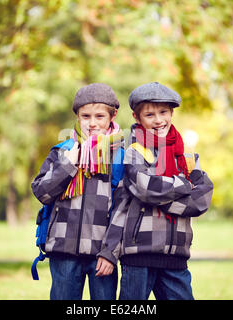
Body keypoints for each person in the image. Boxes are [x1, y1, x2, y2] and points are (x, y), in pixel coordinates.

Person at [98, 82, 214, 300]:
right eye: (150, 114)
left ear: (171, 113)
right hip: (138, 255)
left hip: (175, 256)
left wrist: (157, 197)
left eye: (163, 112)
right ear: (137, 117)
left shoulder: (186, 158)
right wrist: (183, 185)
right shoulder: (134, 152)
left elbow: (202, 199)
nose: (158, 120)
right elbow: (145, 187)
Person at [31, 83, 124, 300]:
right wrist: (68, 166)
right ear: (77, 116)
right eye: (86, 116)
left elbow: (123, 211)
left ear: (112, 116)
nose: (92, 123)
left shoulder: (121, 157)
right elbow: (41, 192)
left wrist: (110, 253)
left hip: (102, 255)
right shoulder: (62, 151)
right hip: (63, 251)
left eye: (100, 116)